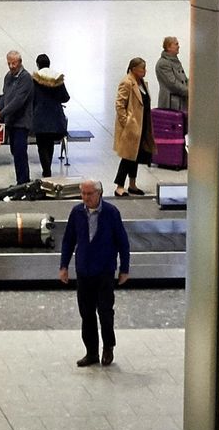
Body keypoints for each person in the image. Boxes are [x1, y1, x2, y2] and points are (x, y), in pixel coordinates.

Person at [58, 179, 130, 367]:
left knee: (105, 312)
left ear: (99, 193)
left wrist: (124, 269)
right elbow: (68, 241)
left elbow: (123, 241)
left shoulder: (111, 213)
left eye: (89, 194)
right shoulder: (76, 213)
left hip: (104, 270)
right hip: (84, 270)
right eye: (83, 194)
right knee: (86, 313)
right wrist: (63, 266)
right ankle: (91, 352)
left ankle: (108, 346)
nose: (86, 198)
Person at [0, 50, 35, 185]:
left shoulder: (26, 78)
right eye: (9, 63)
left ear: (20, 62)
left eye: (14, 63)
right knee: (15, 152)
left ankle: (23, 182)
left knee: (20, 152)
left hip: (22, 122)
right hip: (11, 122)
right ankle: (20, 180)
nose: (11, 66)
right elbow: (5, 96)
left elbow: (18, 100)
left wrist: (1, 113)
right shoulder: (8, 77)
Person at [112, 58, 152, 197]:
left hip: (142, 126)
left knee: (136, 156)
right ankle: (119, 186)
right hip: (132, 127)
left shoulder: (142, 83)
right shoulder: (127, 82)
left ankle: (132, 184)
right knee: (128, 157)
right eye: (142, 68)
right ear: (134, 69)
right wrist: (126, 122)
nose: (145, 71)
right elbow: (119, 104)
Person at [31, 54, 70, 180]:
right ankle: (47, 169)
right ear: (49, 63)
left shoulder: (34, 79)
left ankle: (46, 170)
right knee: (50, 144)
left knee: (41, 145)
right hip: (55, 116)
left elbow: (30, 97)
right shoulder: (57, 79)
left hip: (39, 116)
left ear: (38, 64)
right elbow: (65, 97)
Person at [155, 36, 189, 113]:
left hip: (180, 102)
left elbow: (183, 79)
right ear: (168, 47)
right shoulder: (163, 63)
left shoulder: (175, 61)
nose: (178, 46)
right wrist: (189, 92)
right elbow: (172, 84)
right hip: (171, 104)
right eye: (176, 44)